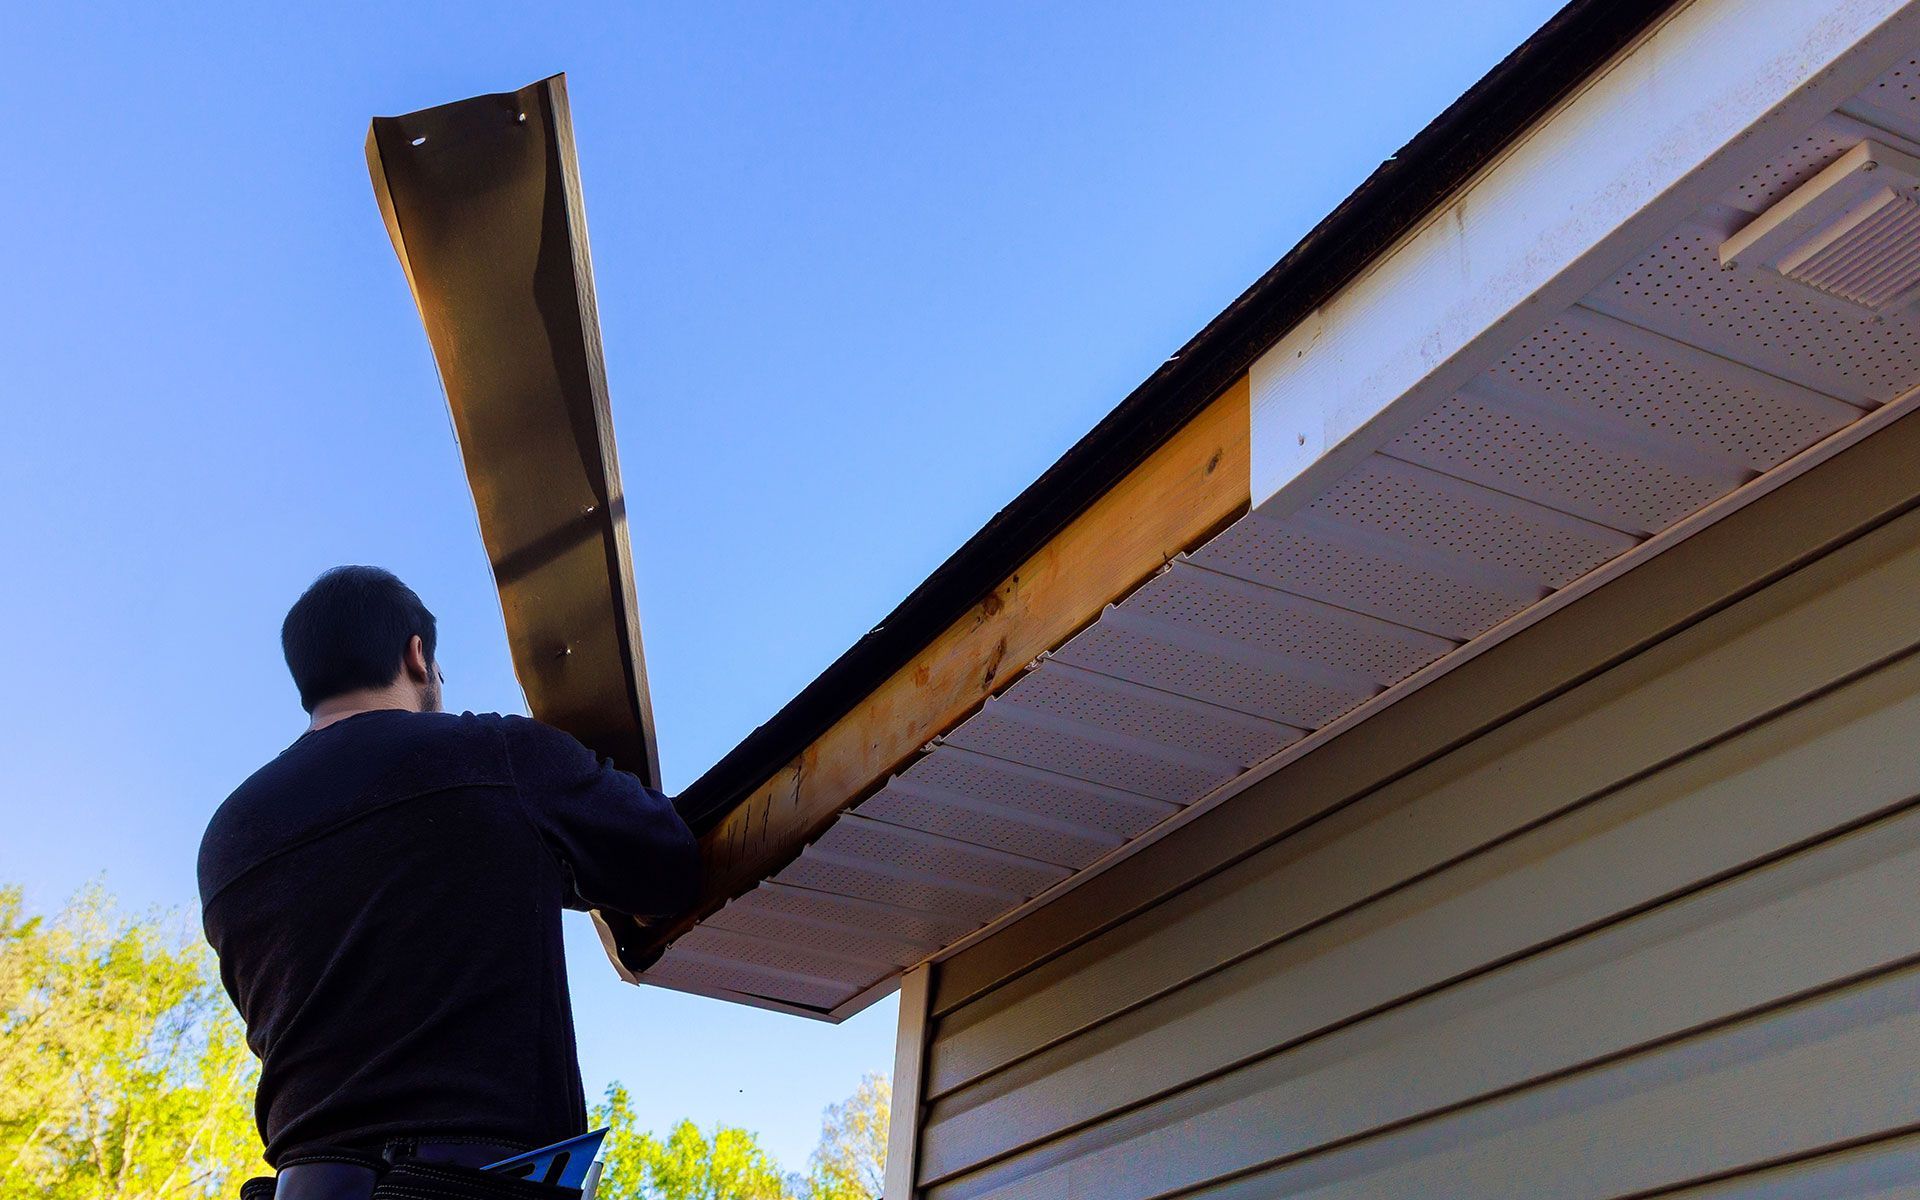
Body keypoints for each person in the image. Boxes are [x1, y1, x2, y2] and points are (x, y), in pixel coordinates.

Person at [198, 566, 698, 1198]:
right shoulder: (493, 754)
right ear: (416, 654)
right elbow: (669, 865)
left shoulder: (227, 839)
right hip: (471, 1180)